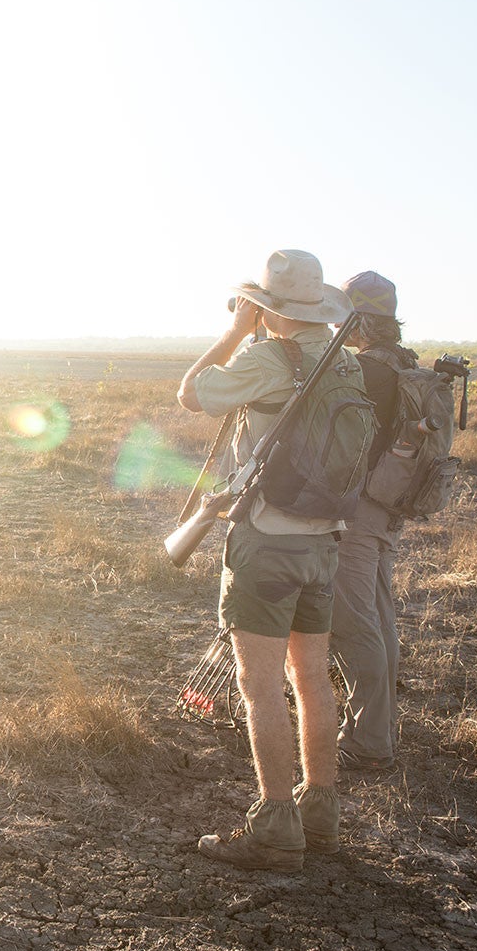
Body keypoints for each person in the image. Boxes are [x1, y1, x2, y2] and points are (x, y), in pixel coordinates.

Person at [176, 249, 357, 870]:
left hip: (267, 543)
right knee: (311, 679)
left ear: (269, 305)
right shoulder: (346, 367)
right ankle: (320, 814)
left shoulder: (266, 357)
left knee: (259, 687)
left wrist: (234, 331)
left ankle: (274, 827)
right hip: (324, 542)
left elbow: (191, 394)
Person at [333, 270, 413, 771]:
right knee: (379, 618)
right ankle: (376, 728)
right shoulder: (403, 365)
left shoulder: (364, 371)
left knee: (353, 620)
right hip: (385, 507)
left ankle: (368, 740)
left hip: (359, 510)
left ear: (357, 319)